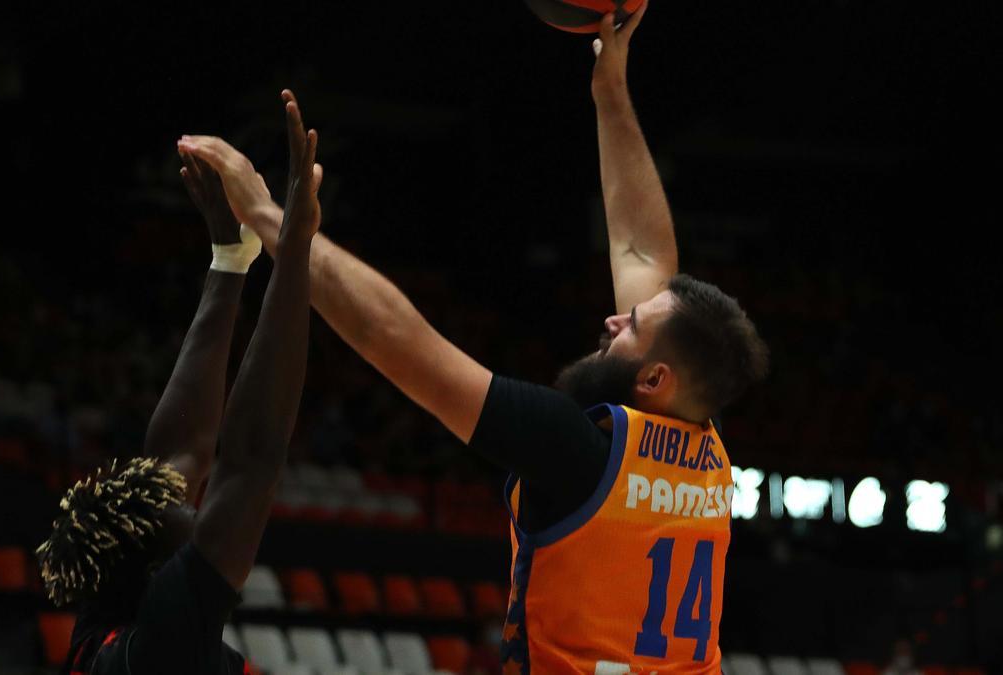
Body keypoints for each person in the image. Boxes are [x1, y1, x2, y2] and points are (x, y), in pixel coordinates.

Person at [181, 4, 769, 672]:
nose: (613, 318)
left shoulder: (577, 449)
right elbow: (640, 252)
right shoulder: (707, 442)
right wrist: (610, 94)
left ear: (655, 378)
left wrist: (270, 218)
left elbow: (398, 340)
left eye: (630, 326)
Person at [36, 90, 323, 675]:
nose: (196, 495)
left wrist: (231, 258)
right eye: (184, 512)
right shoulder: (156, 651)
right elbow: (250, 462)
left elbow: (184, 453)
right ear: (159, 577)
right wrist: (292, 245)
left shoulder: (119, 620)